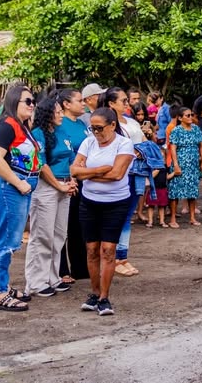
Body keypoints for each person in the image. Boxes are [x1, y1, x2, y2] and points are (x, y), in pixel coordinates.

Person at [69, 107, 136, 316]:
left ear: (112, 125)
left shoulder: (124, 144)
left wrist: (86, 174)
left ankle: (104, 297)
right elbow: (74, 170)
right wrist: (99, 170)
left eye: (100, 128)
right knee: (91, 249)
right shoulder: (88, 142)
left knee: (108, 249)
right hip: (89, 202)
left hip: (116, 203)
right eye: (93, 128)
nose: (96, 132)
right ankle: (94, 292)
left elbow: (117, 175)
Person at [0, 85, 44, 312]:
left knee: (10, 240)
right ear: (13, 102)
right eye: (27, 101)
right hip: (8, 188)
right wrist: (19, 183)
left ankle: (3, 286)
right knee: (5, 241)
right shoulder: (7, 125)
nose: (32, 105)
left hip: (16, 189)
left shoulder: (20, 126)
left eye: (33, 101)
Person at [27, 95, 78, 298]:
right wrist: (59, 185)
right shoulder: (38, 134)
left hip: (64, 185)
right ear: (48, 114)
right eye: (57, 112)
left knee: (59, 234)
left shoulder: (61, 131)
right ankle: (36, 281)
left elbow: (71, 158)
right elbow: (41, 164)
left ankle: (53, 276)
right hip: (47, 187)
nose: (61, 115)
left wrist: (71, 181)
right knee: (42, 234)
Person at [102, 88, 144, 276]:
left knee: (127, 216)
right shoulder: (108, 124)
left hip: (136, 172)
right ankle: (114, 258)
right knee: (117, 216)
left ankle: (122, 257)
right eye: (123, 101)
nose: (127, 104)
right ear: (111, 103)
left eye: (127, 100)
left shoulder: (132, 122)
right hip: (119, 174)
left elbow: (143, 142)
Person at [57, 89, 90, 284]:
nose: (83, 103)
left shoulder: (81, 124)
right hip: (67, 180)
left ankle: (80, 268)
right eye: (79, 100)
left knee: (79, 225)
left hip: (83, 180)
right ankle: (61, 270)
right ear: (66, 104)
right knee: (63, 226)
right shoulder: (61, 125)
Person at [169, 107, 202, 226]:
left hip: (193, 164)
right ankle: (173, 219)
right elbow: (173, 148)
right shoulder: (176, 131)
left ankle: (192, 217)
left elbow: (201, 145)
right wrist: (176, 165)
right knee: (175, 191)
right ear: (180, 118)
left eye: (191, 115)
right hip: (181, 163)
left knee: (192, 191)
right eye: (187, 115)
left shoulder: (196, 129)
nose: (190, 117)